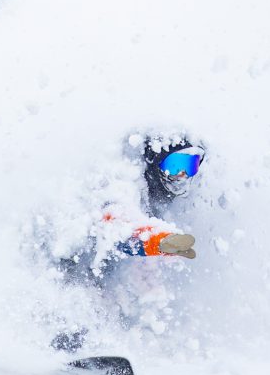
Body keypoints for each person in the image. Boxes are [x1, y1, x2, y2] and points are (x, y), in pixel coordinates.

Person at [46, 132, 206, 352]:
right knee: (81, 287)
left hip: (106, 263)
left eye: (191, 165)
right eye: (175, 165)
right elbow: (118, 228)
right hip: (65, 254)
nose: (181, 175)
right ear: (155, 161)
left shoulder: (172, 192)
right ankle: (68, 340)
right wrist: (161, 241)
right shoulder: (123, 178)